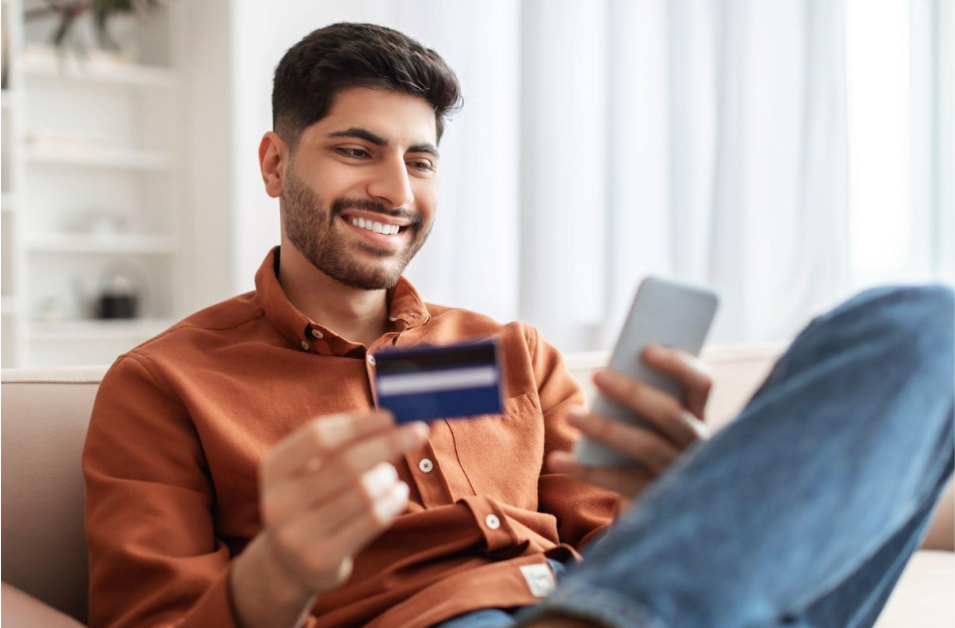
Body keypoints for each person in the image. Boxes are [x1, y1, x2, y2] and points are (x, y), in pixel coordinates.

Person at [82, 22, 955, 628]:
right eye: (356, 149)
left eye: (419, 160)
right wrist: (281, 569)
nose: (394, 190)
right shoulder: (166, 384)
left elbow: (619, 545)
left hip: (615, 604)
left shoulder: (512, 355)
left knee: (924, 328)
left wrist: (676, 497)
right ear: (276, 164)